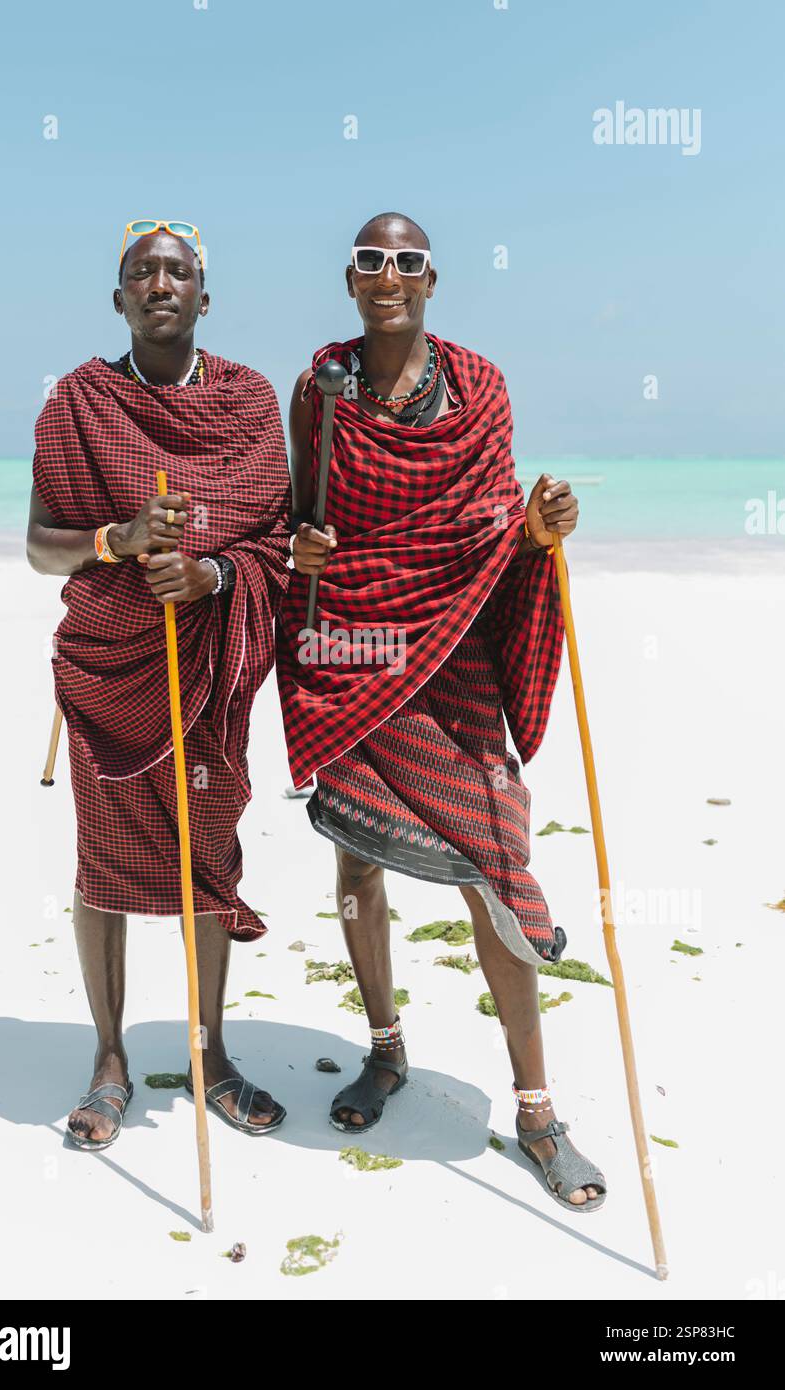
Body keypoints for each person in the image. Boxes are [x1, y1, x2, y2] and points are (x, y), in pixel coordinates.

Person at [276, 212, 606, 1210]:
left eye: (406, 261)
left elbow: (487, 524)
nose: (388, 274)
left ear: (431, 279)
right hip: (353, 645)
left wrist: (537, 530)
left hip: (453, 652)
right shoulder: (318, 387)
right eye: (370, 260)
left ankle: (537, 1107)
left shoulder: (478, 387)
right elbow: (300, 513)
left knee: (494, 860)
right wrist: (302, 552)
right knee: (353, 861)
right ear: (348, 278)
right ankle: (384, 1051)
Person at [27, 220, 290, 1147]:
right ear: (121, 298)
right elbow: (38, 546)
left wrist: (214, 576)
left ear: (204, 299)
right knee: (103, 867)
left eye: (179, 271)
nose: (162, 282)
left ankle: (210, 1049)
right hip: (109, 670)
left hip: (209, 670)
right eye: (144, 271)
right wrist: (121, 540)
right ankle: (108, 1055)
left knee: (205, 860)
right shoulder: (76, 404)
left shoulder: (251, 402)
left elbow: (277, 543)